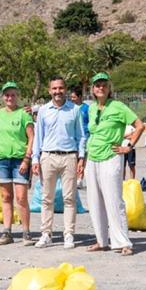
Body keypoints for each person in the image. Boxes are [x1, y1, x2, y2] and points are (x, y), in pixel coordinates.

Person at [84, 73, 144, 256]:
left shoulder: (118, 107)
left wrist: (129, 146)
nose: (100, 88)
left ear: (109, 88)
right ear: (93, 89)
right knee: (94, 201)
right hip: (93, 156)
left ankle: (122, 242)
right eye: (97, 85)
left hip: (111, 155)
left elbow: (139, 125)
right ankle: (101, 240)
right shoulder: (92, 108)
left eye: (103, 85)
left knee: (113, 199)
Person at [31, 77, 85, 249]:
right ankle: (46, 234)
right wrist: (35, 158)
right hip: (48, 156)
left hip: (69, 156)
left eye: (60, 88)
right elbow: (38, 136)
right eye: (54, 88)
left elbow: (81, 135)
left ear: (65, 89)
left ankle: (69, 234)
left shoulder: (74, 110)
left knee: (69, 198)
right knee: (47, 198)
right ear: (49, 90)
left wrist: (81, 157)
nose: (57, 91)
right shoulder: (43, 110)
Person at [0, 82, 34, 245]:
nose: (9, 98)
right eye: (6, 95)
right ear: (3, 97)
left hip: (19, 160)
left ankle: (26, 232)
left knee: (21, 197)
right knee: (6, 196)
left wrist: (27, 158)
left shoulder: (24, 113)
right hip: (2, 159)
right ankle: (7, 231)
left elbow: (31, 136)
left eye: (12, 95)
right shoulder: (0, 113)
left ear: (17, 96)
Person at [69, 86, 90, 188]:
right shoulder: (70, 108)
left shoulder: (86, 108)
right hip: (73, 138)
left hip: (84, 137)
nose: (72, 99)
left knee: (82, 158)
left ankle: (80, 179)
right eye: (71, 97)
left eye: (74, 97)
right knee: (73, 159)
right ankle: (73, 178)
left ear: (80, 97)